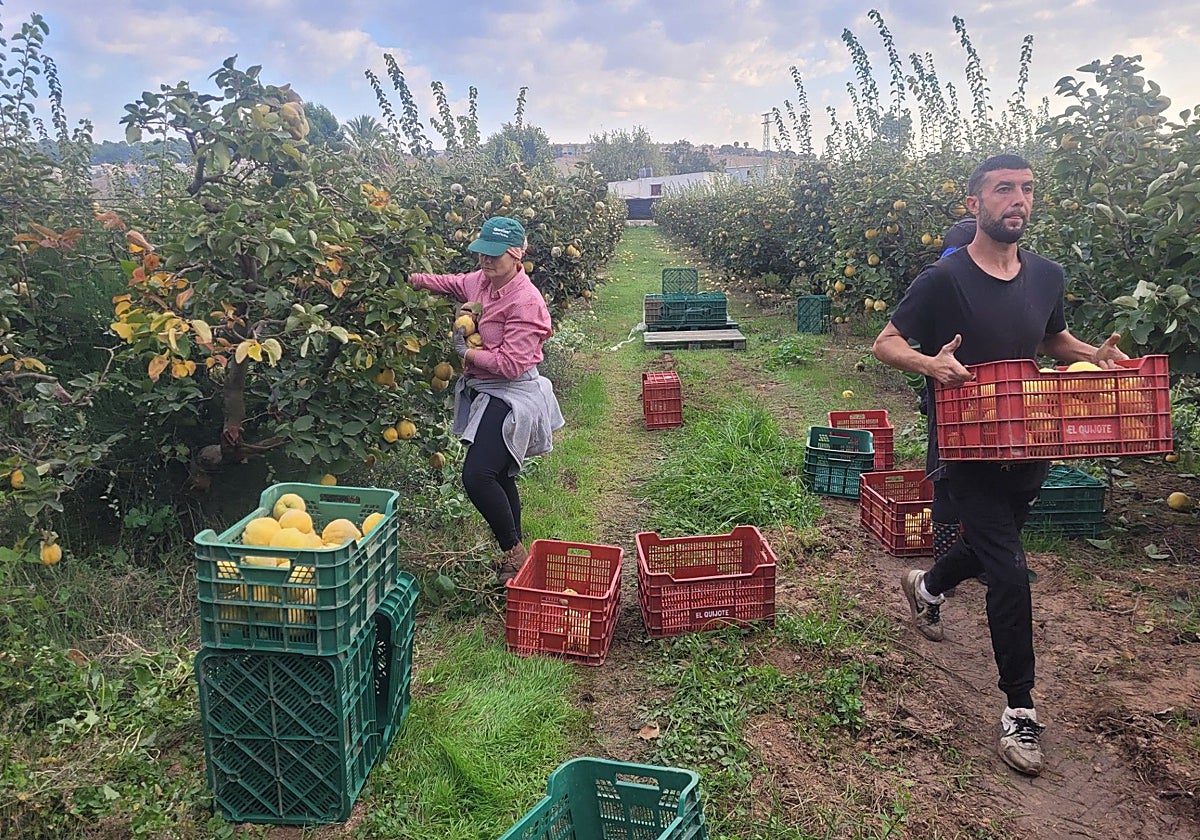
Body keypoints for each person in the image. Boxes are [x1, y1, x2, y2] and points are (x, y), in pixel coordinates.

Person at [871, 154, 1128, 777]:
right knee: (1010, 571)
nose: (1018, 199)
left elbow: (1049, 339)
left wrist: (1095, 354)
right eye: (1003, 189)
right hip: (966, 446)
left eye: (1027, 190)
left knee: (996, 546)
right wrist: (931, 364)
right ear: (975, 204)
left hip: (1029, 439)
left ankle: (927, 586)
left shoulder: (1047, 276)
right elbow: (886, 342)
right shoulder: (945, 278)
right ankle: (1019, 710)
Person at [409, 216, 564, 585]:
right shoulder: (480, 282)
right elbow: (451, 284)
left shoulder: (525, 302)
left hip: (514, 391)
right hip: (487, 388)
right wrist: (412, 280)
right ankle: (515, 557)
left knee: (477, 476)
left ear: (515, 256)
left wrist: (466, 353)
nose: (486, 261)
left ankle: (512, 550)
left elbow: (510, 365)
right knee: (496, 472)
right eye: (482, 254)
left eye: (495, 256)